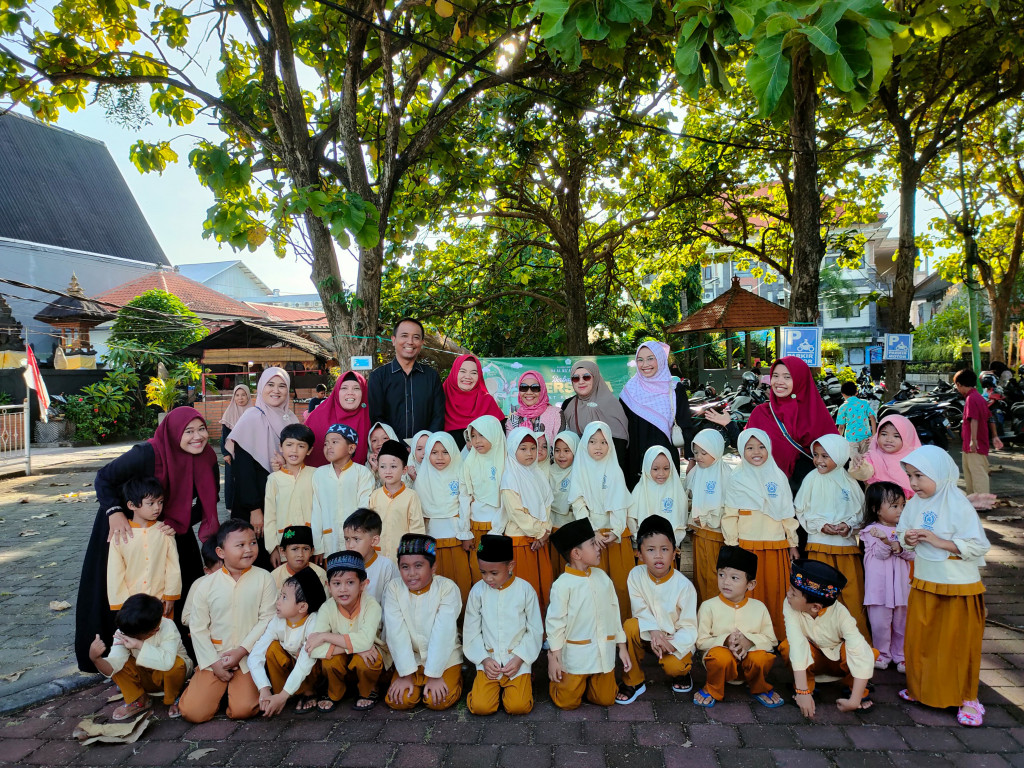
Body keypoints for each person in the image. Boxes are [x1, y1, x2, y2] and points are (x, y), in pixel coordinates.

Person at [76, 406, 219, 673]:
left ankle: (175, 660)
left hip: (169, 528)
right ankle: (118, 660)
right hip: (125, 527)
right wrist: (114, 511)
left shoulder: (207, 456)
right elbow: (104, 478)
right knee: (119, 587)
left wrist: (177, 522)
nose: (197, 437)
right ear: (174, 432)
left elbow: (211, 499)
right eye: (188, 431)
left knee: (179, 587)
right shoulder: (146, 453)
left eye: (201, 429)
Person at [897, 446, 990, 727]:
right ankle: (922, 688)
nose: (913, 483)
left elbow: (977, 546)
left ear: (939, 474)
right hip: (925, 582)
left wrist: (938, 541)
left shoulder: (958, 504)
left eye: (919, 476)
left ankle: (967, 698)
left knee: (957, 645)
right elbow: (902, 533)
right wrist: (908, 539)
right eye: (910, 476)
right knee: (922, 640)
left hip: (958, 587)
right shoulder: (915, 503)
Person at [178, 519, 278, 723]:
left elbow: (267, 619)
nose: (249, 550)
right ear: (221, 552)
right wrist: (214, 664)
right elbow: (198, 628)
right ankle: (210, 685)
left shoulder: (264, 578)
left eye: (252, 543)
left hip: (246, 657)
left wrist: (242, 650)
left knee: (244, 709)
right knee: (193, 712)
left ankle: (232, 692)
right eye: (240, 545)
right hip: (214, 656)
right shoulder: (206, 585)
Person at [545, 518, 631, 710]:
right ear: (576, 553)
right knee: (566, 703)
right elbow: (555, 623)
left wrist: (621, 646)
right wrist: (555, 657)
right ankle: (565, 682)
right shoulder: (562, 585)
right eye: (592, 544)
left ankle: (589, 683)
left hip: (603, 655)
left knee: (606, 699)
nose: (598, 547)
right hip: (577, 657)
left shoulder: (602, 577)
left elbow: (614, 611)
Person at [722, 428, 799, 641]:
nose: (756, 452)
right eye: (749, 447)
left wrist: (792, 543)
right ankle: (748, 637)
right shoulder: (736, 478)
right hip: (747, 547)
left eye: (762, 446)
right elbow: (730, 514)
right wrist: (732, 544)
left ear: (769, 448)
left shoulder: (778, 476)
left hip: (776, 545)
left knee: (776, 592)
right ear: (741, 450)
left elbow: (787, 512)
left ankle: (775, 637)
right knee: (748, 594)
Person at [780, 559, 877, 718]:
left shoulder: (841, 614)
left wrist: (854, 701)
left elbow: (860, 650)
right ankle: (806, 687)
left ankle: (856, 691)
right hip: (813, 659)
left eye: (793, 593)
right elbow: (796, 643)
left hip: (838, 662)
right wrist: (802, 691)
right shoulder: (790, 605)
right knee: (787, 646)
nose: (787, 595)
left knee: (865, 651)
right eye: (790, 590)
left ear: (815, 607)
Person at [794, 435, 870, 639]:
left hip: (846, 548)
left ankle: (854, 639)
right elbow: (801, 509)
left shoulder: (850, 481)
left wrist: (848, 526)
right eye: (816, 455)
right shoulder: (811, 479)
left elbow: (861, 513)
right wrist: (820, 526)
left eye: (826, 456)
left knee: (851, 592)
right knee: (817, 593)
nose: (819, 460)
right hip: (818, 546)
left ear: (840, 455)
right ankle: (818, 639)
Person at [226, 367, 299, 569]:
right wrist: (255, 509)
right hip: (255, 504)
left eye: (282, 386)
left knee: (282, 564)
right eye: (270, 384)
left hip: (283, 502)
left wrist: (286, 463)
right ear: (260, 388)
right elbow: (242, 470)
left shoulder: (291, 419)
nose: (276, 390)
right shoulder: (251, 418)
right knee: (255, 561)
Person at [619, 515, 697, 703]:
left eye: (664, 549)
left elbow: (689, 625)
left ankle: (682, 674)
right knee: (630, 626)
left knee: (675, 667)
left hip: (673, 639)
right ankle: (634, 680)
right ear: (640, 554)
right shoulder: (635, 575)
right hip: (649, 634)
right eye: (651, 550)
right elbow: (640, 609)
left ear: (675, 552)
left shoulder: (684, 586)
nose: (659, 556)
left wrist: (672, 643)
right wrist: (654, 631)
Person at [464, 534, 543, 716]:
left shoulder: (525, 590)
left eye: (494, 573)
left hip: (516, 661)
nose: (488, 579)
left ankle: (522, 682)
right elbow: (471, 630)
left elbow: (535, 630)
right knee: (481, 707)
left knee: (518, 707)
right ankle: (482, 689)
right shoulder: (477, 592)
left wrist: (519, 658)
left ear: (510, 566)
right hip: (488, 661)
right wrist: (483, 659)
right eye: (483, 572)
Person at [383, 534, 464, 711]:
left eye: (418, 566)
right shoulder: (394, 589)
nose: (411, 573)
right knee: (400, 701)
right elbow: (396, 632)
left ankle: (455, 677)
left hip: (445, 658)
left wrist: (435, 675)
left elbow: (444, 633)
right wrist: (405, 674)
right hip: (411, 658)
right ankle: (414, 678)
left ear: (433, 566)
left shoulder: (447, 588)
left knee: (437, 701)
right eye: (405, 567)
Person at [693, 546, 781, 709]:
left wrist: (749, 641)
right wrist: (724, 641)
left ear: (751, 584)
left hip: (750, 663)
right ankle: (712, 688)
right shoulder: (708, 606)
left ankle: (759, 686)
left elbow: (771, 641)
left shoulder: (759, 607)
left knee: (761, 657)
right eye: (721, 575)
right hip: (721, 667)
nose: (726, 582)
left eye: (734, 578)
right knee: (719, 656)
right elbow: (700, 642)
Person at [568, 421, 634, 623]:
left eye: (604, 442)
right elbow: (578, 503)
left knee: (619, 584)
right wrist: (592, 531)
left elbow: (620, 504)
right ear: (584, 445)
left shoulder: (614, 470)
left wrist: (616, 530)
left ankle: (620, 628)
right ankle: (595, 628)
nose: (598, 447)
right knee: (593, 584)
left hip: (614, 534)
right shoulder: (580, 470)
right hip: (590, 536)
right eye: (593, 441)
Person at [89, 594, 192, 721]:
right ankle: (139, 699)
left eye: (136, 637)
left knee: (176, 664)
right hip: (145, 677)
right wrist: (96, 659)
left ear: (154, 630)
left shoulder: (167, 626)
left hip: (170, 677)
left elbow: (168, 663)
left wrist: (139, 645)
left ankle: (175, 697)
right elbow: (113, 667)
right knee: (121, 663)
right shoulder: (124, 631)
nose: (126, 635)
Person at [307, 550, 387, 712]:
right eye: (337, 583)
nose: (343, 589)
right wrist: (353, 647)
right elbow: (314, 649)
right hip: (344, 657)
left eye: (350, 582)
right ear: (328, 586)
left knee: (367, 657)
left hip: (368, 658)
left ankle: (368, 689)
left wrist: (325, 636)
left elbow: (365, 641)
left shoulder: (371, 606)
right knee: (330, 660)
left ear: (363, 584)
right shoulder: (327, 608)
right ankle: (335, 692)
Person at [747, 357, 838, 494]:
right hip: (769, 491)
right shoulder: (761, 413)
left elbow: (836, 452)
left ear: (800, 379)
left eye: (787, 377)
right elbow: (746, 448)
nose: (779, 382)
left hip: (810, 491)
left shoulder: (815, 413)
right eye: (775, 376)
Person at [619, 341, 696, 489]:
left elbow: (685, 423)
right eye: (640, 360)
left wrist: (691, 458)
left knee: (666, 506)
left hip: (665, 461)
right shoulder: (629, 390)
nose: (645, 364)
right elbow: (623, 428)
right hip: (636, 461)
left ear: (660, 359)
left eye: (650, 358)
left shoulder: (674, 389)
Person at [249, 568, 326, 715]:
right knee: (272, 648)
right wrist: (264, 689)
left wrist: (284, 694)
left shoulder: (314, 622)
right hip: (291, 669)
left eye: (284, 597)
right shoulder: (277, 621)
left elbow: (305, 663)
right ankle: (282, 694)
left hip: (312, 672)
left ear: (302, 607)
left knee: (310, 655)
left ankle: (306, 692)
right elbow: (255, 654)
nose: (278, 602)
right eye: (280, 596)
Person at [106, 477, 181, 616]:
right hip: (131, 605)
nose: (157, 507)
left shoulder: (165, 531)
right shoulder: (120, 534)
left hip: (161, 601)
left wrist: (171, 595)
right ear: (131, 505)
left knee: (164, 635)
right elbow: (115, 571)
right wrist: (122, 604)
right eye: (150, 503)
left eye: (160, 502)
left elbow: (172, 566)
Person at [500, 428, 554, 615]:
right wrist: (540, 532)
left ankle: (542, 634)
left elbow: (547, 505)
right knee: (525, 588)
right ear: (513, 450)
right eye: (523, 448)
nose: (529, 453)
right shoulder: (510, 477)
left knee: (543, 586)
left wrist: (545, 531)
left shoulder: (537, 474)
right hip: (520, 542)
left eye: (533, 448)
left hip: (540, 541)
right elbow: (516, 512)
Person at [860, 481, 913, 672]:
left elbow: (911, 554)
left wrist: (899, 545)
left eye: (902, 506)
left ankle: (901, 655)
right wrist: (886, 541)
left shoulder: (904, 531)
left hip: (900, 587)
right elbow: (881, 554)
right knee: (880, 624)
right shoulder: (870, 531)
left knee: (901, 622)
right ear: (876, 509)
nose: (900, 510)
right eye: (894, 506)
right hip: (879, 589)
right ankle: (881, 654)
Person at [416, 432, 473, 604]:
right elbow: (421, 516)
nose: (440, 457)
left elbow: (465, 504)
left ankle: (462, 623)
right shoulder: (422, 479)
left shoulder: (460, 473)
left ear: (454, 452)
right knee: (436, 583)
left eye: (445, 452)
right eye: (434, 453)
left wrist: (465, 533)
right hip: (433, 542)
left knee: (461, 581)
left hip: (456, 539)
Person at [368, 317, 445, 440]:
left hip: (425, 451)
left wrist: (423, 444)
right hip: (391, 452)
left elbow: (438, 416)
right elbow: (377, 418)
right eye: (404, 336)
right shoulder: (378, 377)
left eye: (416, 337)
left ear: (422, 342)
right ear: (393, 340)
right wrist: (397, 446)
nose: (410, 342)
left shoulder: (431, 376)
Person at [310, 424, 375, 559]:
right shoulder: (319, 474)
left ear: (351, 448)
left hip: (356, 545)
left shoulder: (362, 473)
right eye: (326, 443)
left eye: (334, 442)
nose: (329, 447)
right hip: (329, 544)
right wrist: (318, 546)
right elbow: (316, 511)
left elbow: (364, 509)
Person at [685, 429, 731, 605]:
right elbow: (688, 496)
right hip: (699, 534)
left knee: (714, 574)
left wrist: (708, 518)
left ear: (717, 450)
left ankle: (717, 611)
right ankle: (702, 611)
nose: (699, 457)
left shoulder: (726, 474)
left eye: (704, 452)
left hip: (716, 534)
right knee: (700, 574)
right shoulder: (695, 472)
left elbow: (728, 505)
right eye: (696, 452)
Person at [560, 361, 630, 478]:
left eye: (586, 377)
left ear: (595, 378)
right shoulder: (568, 405)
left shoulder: (611, 404)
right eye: (576, 378)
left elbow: (620, 445)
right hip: (578, 471)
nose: (581, 381)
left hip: (607, 472)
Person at [460, 415, 508, 574]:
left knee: (500, 567)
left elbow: (508, 499)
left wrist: (497, 529)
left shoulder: (506, 462)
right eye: (473, 436)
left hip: (501, 528)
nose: (477, 440)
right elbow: (464, 496)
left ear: (494, 433)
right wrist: (465, 532)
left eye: (482, 435)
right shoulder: (469, 462)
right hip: (477, 528)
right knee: (478, 564)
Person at [263, 424, 317, 565]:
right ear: (281, 447)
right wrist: (273, 548)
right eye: (289, 445)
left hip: (312, 542)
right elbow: (270, 516)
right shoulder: (274, 479)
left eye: (301, 446)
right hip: (284, 540)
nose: (294, 450)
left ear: (309, 450)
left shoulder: (316, 475)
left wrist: (321, 547)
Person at [368, 440, 426, 562]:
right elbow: (370, 528)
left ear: (404, 470)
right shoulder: (375, 495)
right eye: (383, 466)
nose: (387, 471)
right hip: (378, 555)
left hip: (402, 556)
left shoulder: (411, 496)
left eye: (393, 466)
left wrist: (413, 555)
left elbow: (417, 529)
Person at [304, 372, 371, 467]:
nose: (350, 392)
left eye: (356, 388)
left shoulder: (371, 416)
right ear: (336, 391)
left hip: (362, 478)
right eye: (344, 388)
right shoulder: (318, 416)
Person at [628, 446, 688, 551]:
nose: (661, 473)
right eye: (655, 469)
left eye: (666, 468)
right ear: (647, 467)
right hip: (645, 548)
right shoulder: (639, 490)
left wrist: (672, 542)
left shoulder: (677, 491)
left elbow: (681, 522)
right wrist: (640, 539)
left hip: (669, 547)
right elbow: (631, 519)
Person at [954, 368, 1004, 495]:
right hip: (972, 444)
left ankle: (982, 502)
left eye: (956, 386)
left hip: (974, 445)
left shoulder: (971, 399)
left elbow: (974, 419)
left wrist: (973, 440)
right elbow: (990, 417)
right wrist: (995, 436)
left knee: (977, 474)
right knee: (971, 473)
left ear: (959, 384)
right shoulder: (979, 397)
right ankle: (974, 500)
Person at [442, 354, 506, 451]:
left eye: (474, 373)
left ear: (479, 375)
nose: (468, 377)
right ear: (454, 372)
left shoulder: (487, 401)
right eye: (462, 371)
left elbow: (500, 439)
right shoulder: (440, 398)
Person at [849, 414, 922, 499]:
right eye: (884, 434)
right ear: (877, 436)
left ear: (907, 438)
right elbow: (863, 474)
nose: (889, 440)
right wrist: (858, 464)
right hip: (880, 507)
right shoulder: (873, 456)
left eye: (896, 436)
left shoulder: (915, 459)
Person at [343, 509, 400, 606]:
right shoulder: (342, 566)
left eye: (356, 539)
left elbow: (391, 606)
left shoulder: (386, 567)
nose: (350, 545)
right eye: (347, 539)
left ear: (374, 541)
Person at [548, 431, 579, 576]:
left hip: (572, 526)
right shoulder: (549, 470)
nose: (561, 455)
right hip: (553, 526)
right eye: (557, 450)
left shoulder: (579, 472)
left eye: (567, 451)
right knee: (555, 565)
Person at [506, 370, 562, 446]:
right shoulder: (513, 419)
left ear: (542, 390)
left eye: (535, 388)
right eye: (524, 387)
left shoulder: (556, 414)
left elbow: (562, 447)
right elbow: (511, 449)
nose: (529, 392)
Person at [219, 384, 252, 512]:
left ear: (248, 396)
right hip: (232, 452)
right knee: (231, 478)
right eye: (237, 395)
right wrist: (225, 453)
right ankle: (230, 506)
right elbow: (224, 436)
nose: (240, 398)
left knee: (247, 476)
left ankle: (247, 503)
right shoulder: (229, 412)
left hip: (248, 451)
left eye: (243, 395)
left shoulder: (253, 412)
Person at [270, 525, 328, 591]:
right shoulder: (274, 577)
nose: (300, 554)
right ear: (283, 551)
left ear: (312, 551)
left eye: (305, 549)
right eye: (295, 549)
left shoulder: (320, 574)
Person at [836, 380, 875, 459]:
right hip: (866, 438)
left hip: (851, 439)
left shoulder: (843, 407)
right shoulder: (864, 403)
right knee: (866, 461)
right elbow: (873, 418)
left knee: (855, 462)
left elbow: (841, 427)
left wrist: (838, 440)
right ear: (856, 392)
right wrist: (874, 436)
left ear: (843, 394)